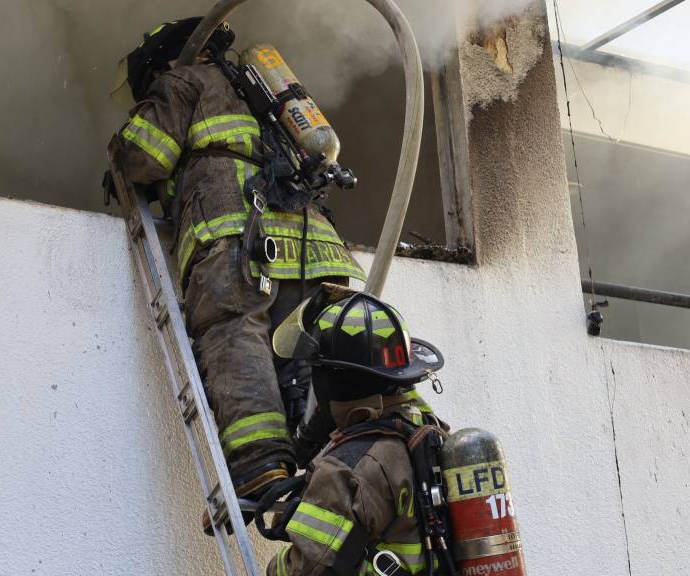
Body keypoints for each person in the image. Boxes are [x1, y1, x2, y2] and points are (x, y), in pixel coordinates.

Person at [109, 18, 367, 515]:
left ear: (162, 60)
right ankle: (345, 458)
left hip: (242, 234)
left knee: (234, 330)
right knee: (314, 355)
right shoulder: (262, 97)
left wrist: (120, 148)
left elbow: (144, 159)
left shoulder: (184, 80)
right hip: (316, 248)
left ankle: (261, 466)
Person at [263, 285, 449, 575]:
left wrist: (278, 563)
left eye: (317, 372)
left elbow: (304, 570)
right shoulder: (428, 431)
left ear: (336, 380)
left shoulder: (347, 468)